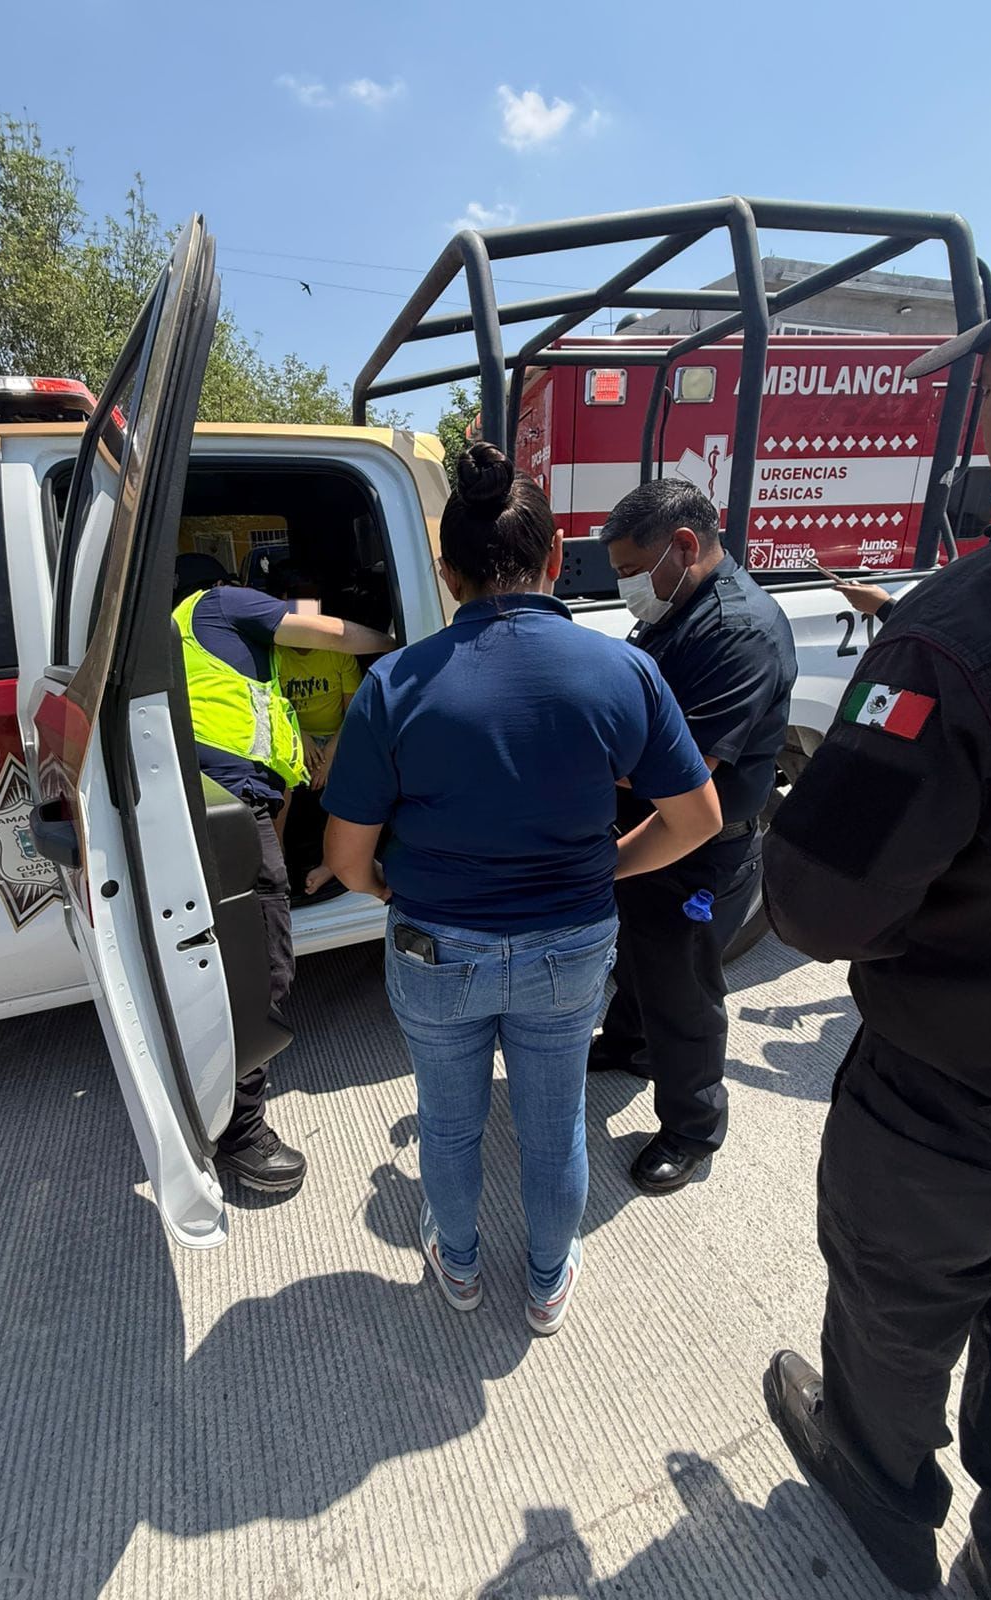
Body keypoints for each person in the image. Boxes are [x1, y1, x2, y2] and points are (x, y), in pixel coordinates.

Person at [760, 218, 991, 1599]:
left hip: (950, 1103)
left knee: (897, 1311)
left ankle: (877, 1480)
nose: (975, 405)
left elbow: (815, 900)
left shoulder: (962, 633)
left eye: (989, 374)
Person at [321, 445, 721, 1334]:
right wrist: (603, 867)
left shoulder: (394, 685)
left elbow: (345, 857)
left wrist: (386, 888)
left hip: (435, 943)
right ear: (553, 559)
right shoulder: (623, 671)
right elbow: (696, 820)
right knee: (555, 1125)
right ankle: (546, 1283)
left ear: (447, 572)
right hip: (569, 943)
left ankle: (457, 1267)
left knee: (448, 1119)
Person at [588, 480, 797, 1195]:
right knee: (640, 955)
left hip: (701, 850)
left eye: (627, 570)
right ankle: (629, 1045)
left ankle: (692, 1128)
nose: (624, 588)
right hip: (654, 830)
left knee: (683, 986)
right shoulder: (680, 608)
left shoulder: (738, 630)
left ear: (683, 546)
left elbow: (683, 772)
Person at [172, 554, 394, 1192]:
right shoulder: (217, 605)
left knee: (224, 960)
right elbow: (327, 631)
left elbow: (270, 747)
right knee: (259, 967)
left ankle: (216, 1100)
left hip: (222, 805)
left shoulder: (201, 652)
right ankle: (239, 1130)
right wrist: (392, 638)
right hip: (229, 812)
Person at [265, 564, 363, 896]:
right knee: (279, 785)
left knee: (350, 782)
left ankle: (332, 863)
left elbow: (354, 715)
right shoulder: (272, 652)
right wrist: (301, 739)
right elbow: (274, 706)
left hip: (338, 737)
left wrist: (332, 755)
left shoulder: (337, 650)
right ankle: (278, 867)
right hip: (291, 736)